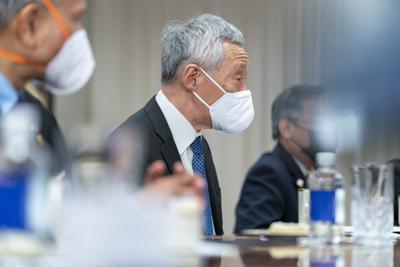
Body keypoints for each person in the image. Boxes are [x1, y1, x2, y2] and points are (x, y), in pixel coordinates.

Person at [0, 0, 202, 196]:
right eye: (75, 18)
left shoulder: (37, 117)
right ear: (30, 25)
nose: (80, 34)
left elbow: (50, 218)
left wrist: (140, 205)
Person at [112, 13, 254, 235]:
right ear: (193, 78)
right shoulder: (128, 145)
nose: (244, 91)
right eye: (237, 79)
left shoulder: (199, 147)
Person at [234, 84, 336, 234]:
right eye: (318, 120)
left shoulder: (317, 175)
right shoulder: (268, 173)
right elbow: (253, 242)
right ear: (286, 128)